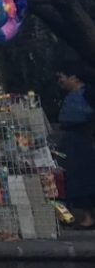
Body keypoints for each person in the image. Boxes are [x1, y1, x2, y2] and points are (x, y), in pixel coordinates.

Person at [57, 60, 95, 231]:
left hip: (86, 138)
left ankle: (89, 217)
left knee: (88, 177)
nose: (60, 81)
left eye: (61, 77)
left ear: (73, 77)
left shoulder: (87, 94)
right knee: (79, 179)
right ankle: (87, 216)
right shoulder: (71, 96)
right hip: (73, 141)